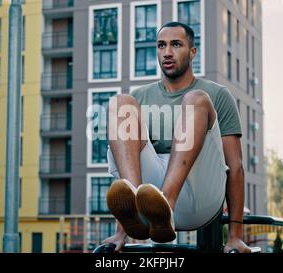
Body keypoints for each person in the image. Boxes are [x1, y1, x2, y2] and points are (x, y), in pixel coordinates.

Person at [102, 21, 251, 253]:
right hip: (150, 203)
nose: (167, 52)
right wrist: (120, 234)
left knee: (196, 100)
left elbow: (236, 166)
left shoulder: (218, 95)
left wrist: (235, 235)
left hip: (200, 196)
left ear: (193, 52)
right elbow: (126, 160)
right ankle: (142, 209)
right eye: (161, 46)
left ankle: (166, 206)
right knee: (121, 103)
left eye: (176, 45)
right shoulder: (140, 97)